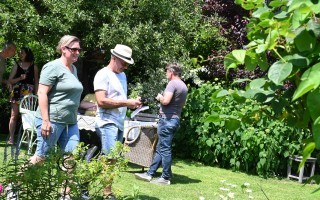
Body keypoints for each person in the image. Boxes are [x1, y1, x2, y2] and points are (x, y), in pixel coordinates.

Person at [94, 44, 142, 198]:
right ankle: (106, 193)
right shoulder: (102, 74)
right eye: (124, 63)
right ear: (114, 58)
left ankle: (92, 186)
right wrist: (127, 103)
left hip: (119, 122)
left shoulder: (122, 75)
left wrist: (131, 102)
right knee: (109, 158)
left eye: (128, 63)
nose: (126, 67)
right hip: (107, 121)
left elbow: (119, 99)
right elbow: (101, 101)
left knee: (111, 159)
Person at [30, 35, 83, 165]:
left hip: (70, 122)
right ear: (63, 49)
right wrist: (45, 121)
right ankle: (11, 184)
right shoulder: (52, 67)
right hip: (52, 120)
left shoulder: (73, 69)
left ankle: (66, 186)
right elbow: (42, 92)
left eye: (79, 50)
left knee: (70, 160)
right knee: (40, 159)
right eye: (74, 49)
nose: (77, 53)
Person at [135, 62, 188, 185]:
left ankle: (165, 177)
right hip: (175, 119)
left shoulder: (172, 83)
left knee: (164, 149)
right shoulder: (183, 86)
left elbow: (166, 101)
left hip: (167, 120)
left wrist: (159, 97)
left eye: (166, 71)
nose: (166, 74)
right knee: (160, 148)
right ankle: (150, 174)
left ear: (171, 72)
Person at [7, 47, 39, 144]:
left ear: (27, 54)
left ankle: (29, 140)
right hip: (17, 92)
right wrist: (19, 79)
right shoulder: (16, 65)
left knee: (28, 116)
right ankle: (11, 138)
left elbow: (36, 81)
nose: (20, 55)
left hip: (28, 93)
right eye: (19, 53)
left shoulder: (34, 66)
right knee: (14, 115)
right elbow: (10, 80)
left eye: (22, 53)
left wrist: (37, 94)